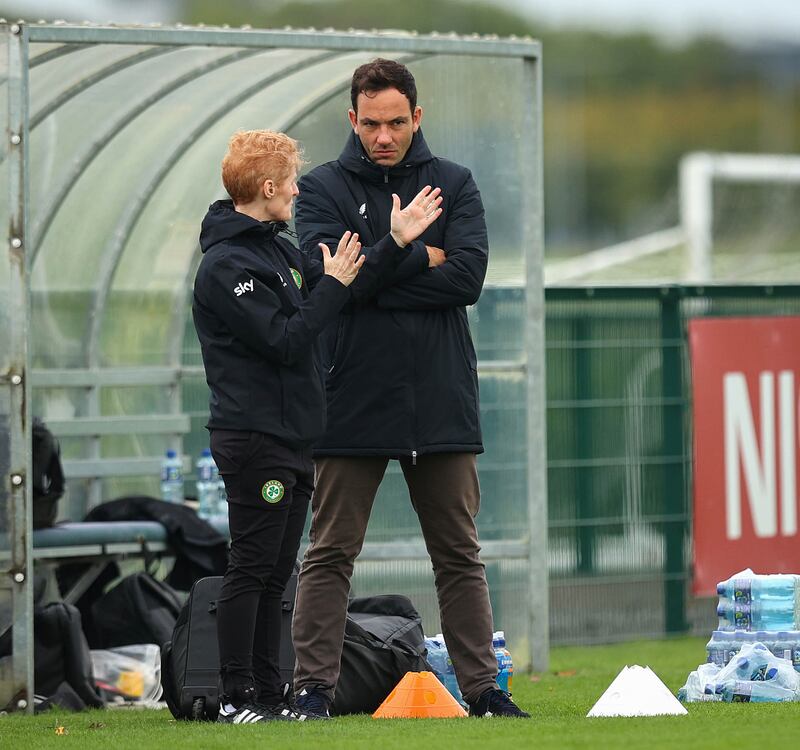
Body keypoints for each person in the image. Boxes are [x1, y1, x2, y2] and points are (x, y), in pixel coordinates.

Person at [291, 59, 530, 719]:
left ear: (416, 117)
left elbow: (467, 279)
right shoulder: (320, 190)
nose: (385, 135)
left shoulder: (454, 184)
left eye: (397, 122)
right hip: (349, 400)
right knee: (331, 550)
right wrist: (405, 245)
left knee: (459, 553)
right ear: (352, 120)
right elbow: (326, 284)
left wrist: (371, 265)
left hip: (439, 398)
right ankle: (312, 688)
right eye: (372, 124)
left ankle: (484, 691)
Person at [192, 129, 442, 724]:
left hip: (294, 438)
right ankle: (235, 695)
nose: (299, 192)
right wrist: (331, 287)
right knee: (251, 565)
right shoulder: (229, 266)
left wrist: (392, 242)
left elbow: (337, 286)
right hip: (255, 439)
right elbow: (287, 337)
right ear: (268, 187)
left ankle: (269, 692)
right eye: (291, 182)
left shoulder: (276, 251)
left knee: (279, 570)